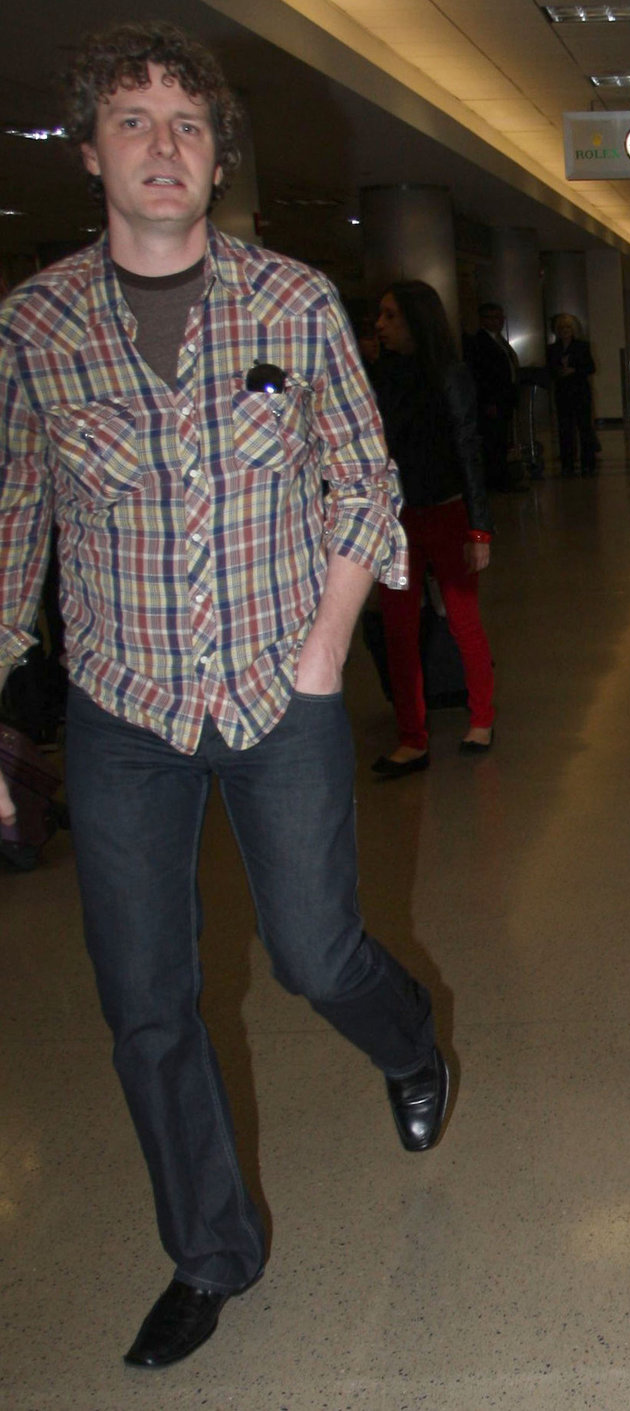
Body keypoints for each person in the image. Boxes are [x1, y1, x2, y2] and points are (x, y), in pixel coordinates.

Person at [0, 21, 448, 1369]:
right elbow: (13, 526)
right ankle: (210, 1250)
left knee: (315, 954)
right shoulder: (32, 328)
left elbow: (366, 486)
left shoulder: (294, 304)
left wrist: (323, 656)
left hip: (276, 683)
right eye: (131, 121)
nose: (161, 144)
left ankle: (409, 1039)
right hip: (124, 704)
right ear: (90, 153)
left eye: (185, 123)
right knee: (146, 998)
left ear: (216, 154)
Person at [371, 280, 497, 773]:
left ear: (416, 320)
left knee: (463, 618)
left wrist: (480, 529)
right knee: (398, 629)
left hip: (446, 512)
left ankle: (482, 716)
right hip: (396, 518)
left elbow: (469, 447)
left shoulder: (449, 374)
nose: (380, 325)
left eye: (390, 316)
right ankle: (412, 736)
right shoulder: (378, 377)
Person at [464, 300, 522, 490]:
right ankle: (497, 480)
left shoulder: (499, 341)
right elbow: (481, 375)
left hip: (505, 397)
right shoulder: (479, 342)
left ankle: (503, 477)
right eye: (494, 318)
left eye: (500, 317)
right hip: (493, 400)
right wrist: (488, 401)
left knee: (502, 439)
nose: (499, 321)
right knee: (494, 441)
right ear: (484, 320)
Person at [547, 312, 598, 476]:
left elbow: (591, 368)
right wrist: (559, 372)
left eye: (568, 327)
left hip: (580, 391)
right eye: (561, 328)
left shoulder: (582, 346)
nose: (565, 330)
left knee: (585, 428)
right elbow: (549, 370)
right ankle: (567, 464)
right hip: (563, 393)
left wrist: (574, 370)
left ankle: (588, 463)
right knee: (565, 429)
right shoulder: (553, 349)